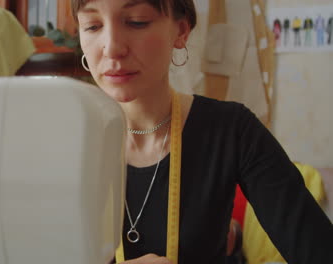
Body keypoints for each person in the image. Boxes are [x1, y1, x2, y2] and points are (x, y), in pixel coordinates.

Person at [72, 0, 333, 263]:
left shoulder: (233, 130)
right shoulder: (62, 144)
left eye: (137, 21)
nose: (112, 48)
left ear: (181, 31)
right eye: (92, 26)